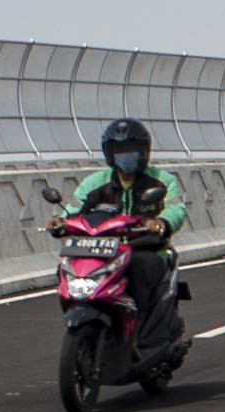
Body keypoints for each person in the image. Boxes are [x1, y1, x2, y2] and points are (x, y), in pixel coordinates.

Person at [62, 117, 183, 333]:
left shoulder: (162, 181)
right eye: (119, 149)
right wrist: (60, 222)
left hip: (145, 248)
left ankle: (136, 330)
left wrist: (161, 222)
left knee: (137, 270)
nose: (125, 155)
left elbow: (176, 209)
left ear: (144, 151)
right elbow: (73, 211)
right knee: (67, 267)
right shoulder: (94, 183)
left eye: (131, 149)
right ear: (110, 154)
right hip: (103, 250)